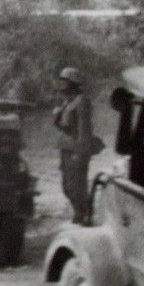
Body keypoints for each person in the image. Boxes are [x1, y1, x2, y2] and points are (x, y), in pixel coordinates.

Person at [52, 67, 93, 224]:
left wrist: (82, 154)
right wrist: (56, 116)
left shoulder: (81, 101)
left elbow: (84, 130)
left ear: (73, 83)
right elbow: (63, 126)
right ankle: (80, 211)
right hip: (66, 149)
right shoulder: (67, 102)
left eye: (65, 81)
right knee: (66, 187)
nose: (61, 84)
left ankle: (83, 214)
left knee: (77, 187)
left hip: (76, 149)